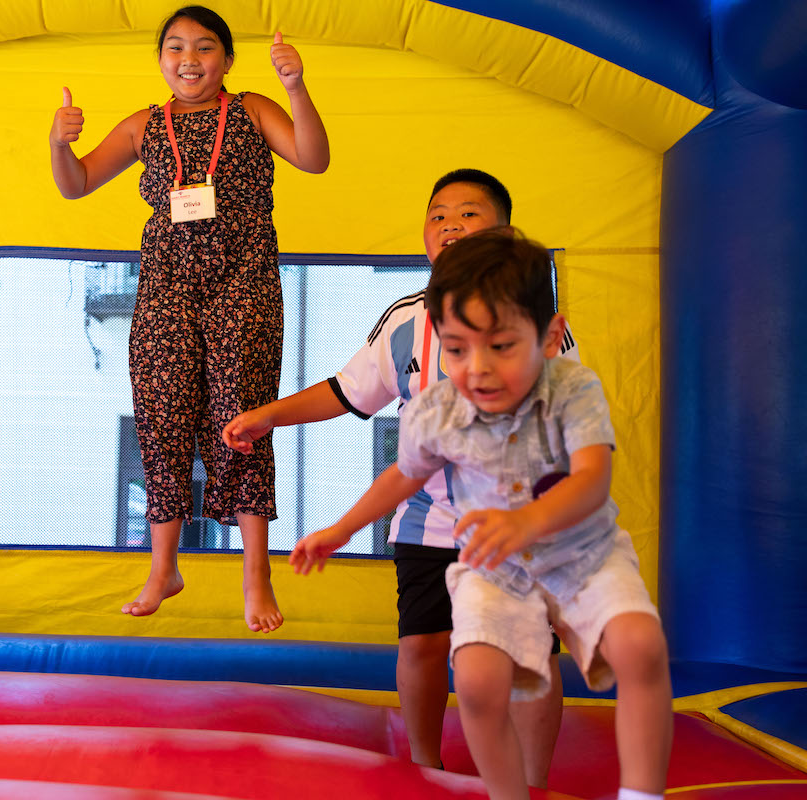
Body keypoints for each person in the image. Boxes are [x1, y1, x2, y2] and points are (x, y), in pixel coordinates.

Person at [291, 229, 671, 800]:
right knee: (475, 680)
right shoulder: (437, 410)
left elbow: (593, 481)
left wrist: (527, 523)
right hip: (495, 569)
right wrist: (341, 529)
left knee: (641, 646)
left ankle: (642, 793)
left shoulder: (573, 389)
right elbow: (405, 474)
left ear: (550, 337)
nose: (478, 369)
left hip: (582, 554)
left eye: (501, 346)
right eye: (457, 348)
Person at [223, 169, 566, 779]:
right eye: (438, 216)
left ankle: (533, 782)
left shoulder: (536, 321)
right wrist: (268, 417)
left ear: (506, 234)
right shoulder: (409, 319)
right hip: (429, 514)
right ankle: (424, 768)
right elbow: (352, 393)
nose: (450, 225)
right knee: (424, 643)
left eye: (468, 214)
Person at [49, 6, 329, 633]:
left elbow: (313, 158)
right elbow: (77, 183)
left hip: (243, 283)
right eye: (175, 47)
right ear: (160, 61)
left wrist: (295, 87)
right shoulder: (146, 125)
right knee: (161, 412)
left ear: (227, 61)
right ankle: (163, 568)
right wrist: (58, 144)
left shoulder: (252, 108)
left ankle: (255, 574)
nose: (189, 59)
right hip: (165, 289)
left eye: (205, 48)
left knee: (245, 414)